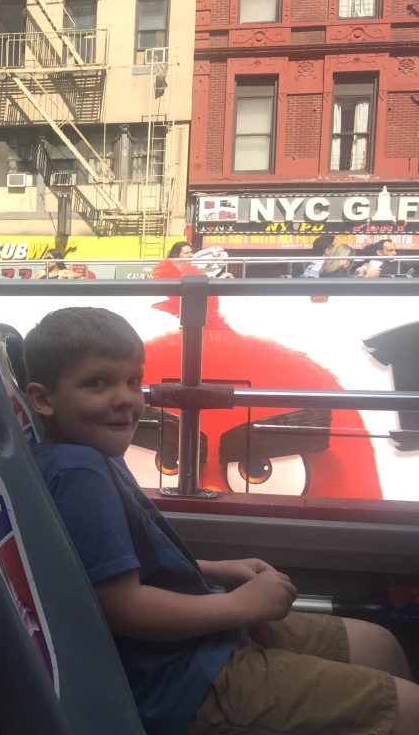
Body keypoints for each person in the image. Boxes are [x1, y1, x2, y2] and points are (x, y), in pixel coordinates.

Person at [23, 306, 418, 735]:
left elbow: (113, 564)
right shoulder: (79, 471)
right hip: (186, 682)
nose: (125, 398)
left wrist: (214, 570)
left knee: (378, 643)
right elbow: (124, 607)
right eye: (97, 382)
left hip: (199, 644)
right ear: (43, 399)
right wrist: (237, 606)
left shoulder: (96, 454)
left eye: (133, 381)